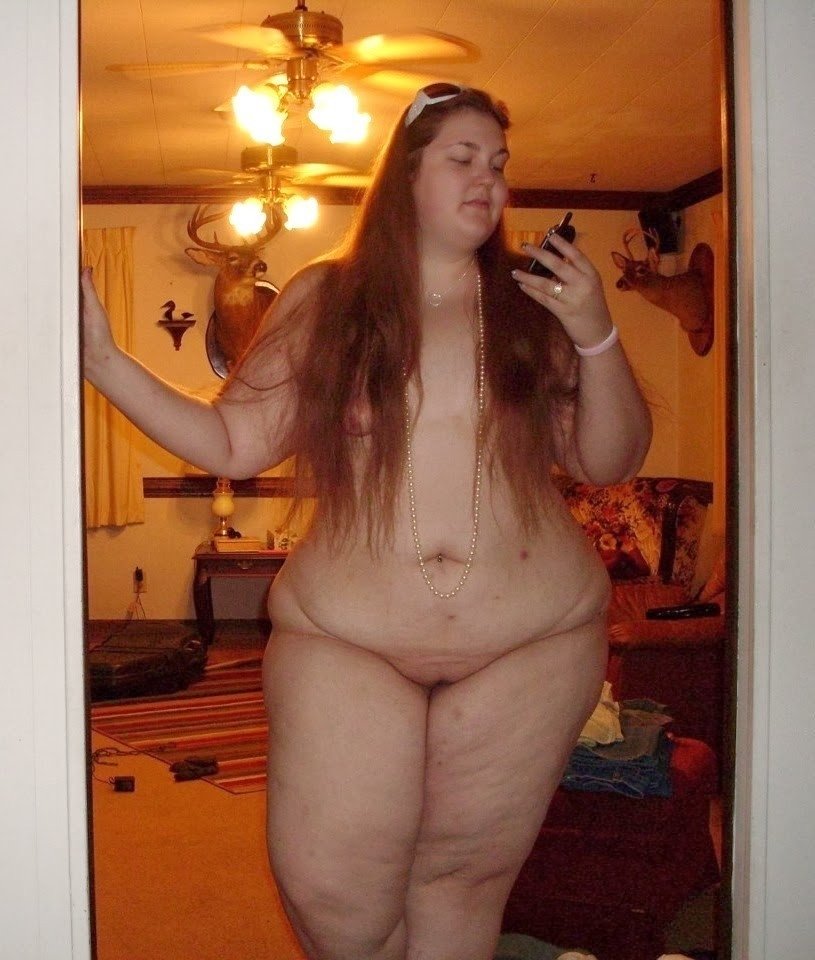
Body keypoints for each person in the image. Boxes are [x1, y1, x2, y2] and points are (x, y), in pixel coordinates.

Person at [82, 84, 652, 960]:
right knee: (336, 901)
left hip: (531, 643)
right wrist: (104, 361)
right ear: (406, 174)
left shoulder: (531, 302)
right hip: (349, 641)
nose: (488, 179)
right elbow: (234, 440)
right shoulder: (327, 296)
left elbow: (608, 460)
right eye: (462, 158)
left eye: (498, 163)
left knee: (459, 882)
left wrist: (595, 335)